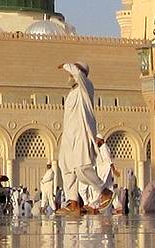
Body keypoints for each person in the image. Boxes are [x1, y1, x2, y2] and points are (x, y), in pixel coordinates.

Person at [54, 63, 106, 209]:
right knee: (65, 166)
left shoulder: (86, 87)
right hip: (68, 135)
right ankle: (73, 202)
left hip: (81, 133)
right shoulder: (72, 93)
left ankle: (104, 190)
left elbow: (78, 73)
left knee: (82, 168)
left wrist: (66, 65)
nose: (69, 77)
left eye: (71, 75)